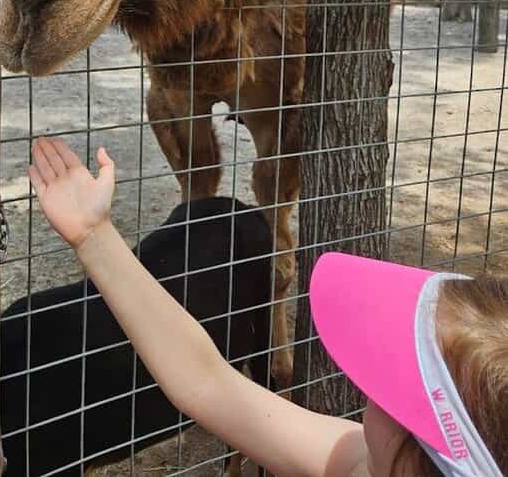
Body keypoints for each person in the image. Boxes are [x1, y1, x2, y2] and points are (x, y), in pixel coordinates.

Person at [27, 136, 507, 477]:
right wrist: (95, 238)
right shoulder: (372, 462)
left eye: (394, 390)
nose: (368, 390)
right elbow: (209, 383)